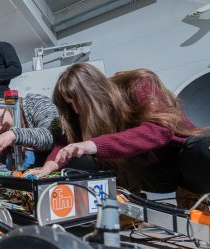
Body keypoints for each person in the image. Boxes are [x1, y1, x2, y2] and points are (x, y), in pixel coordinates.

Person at [28, 63, 210, 204]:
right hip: (154, 178)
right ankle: (124, 203)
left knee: (203, 147)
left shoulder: (140, 83)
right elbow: (64, 143)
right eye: (70, 105)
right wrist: (46, 169)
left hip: (184, 163)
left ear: (93, 93)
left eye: (77, 102)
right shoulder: (81, 115)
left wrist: (94, 145)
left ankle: (191, 192)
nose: (75, 111)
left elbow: (160, 130)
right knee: (85, 161)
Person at [0, 93, 60, 168]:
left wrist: (13, 135)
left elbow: (51, 136)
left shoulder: (36, 103)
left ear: (8, 107)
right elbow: (0, 164)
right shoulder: (2, 130)